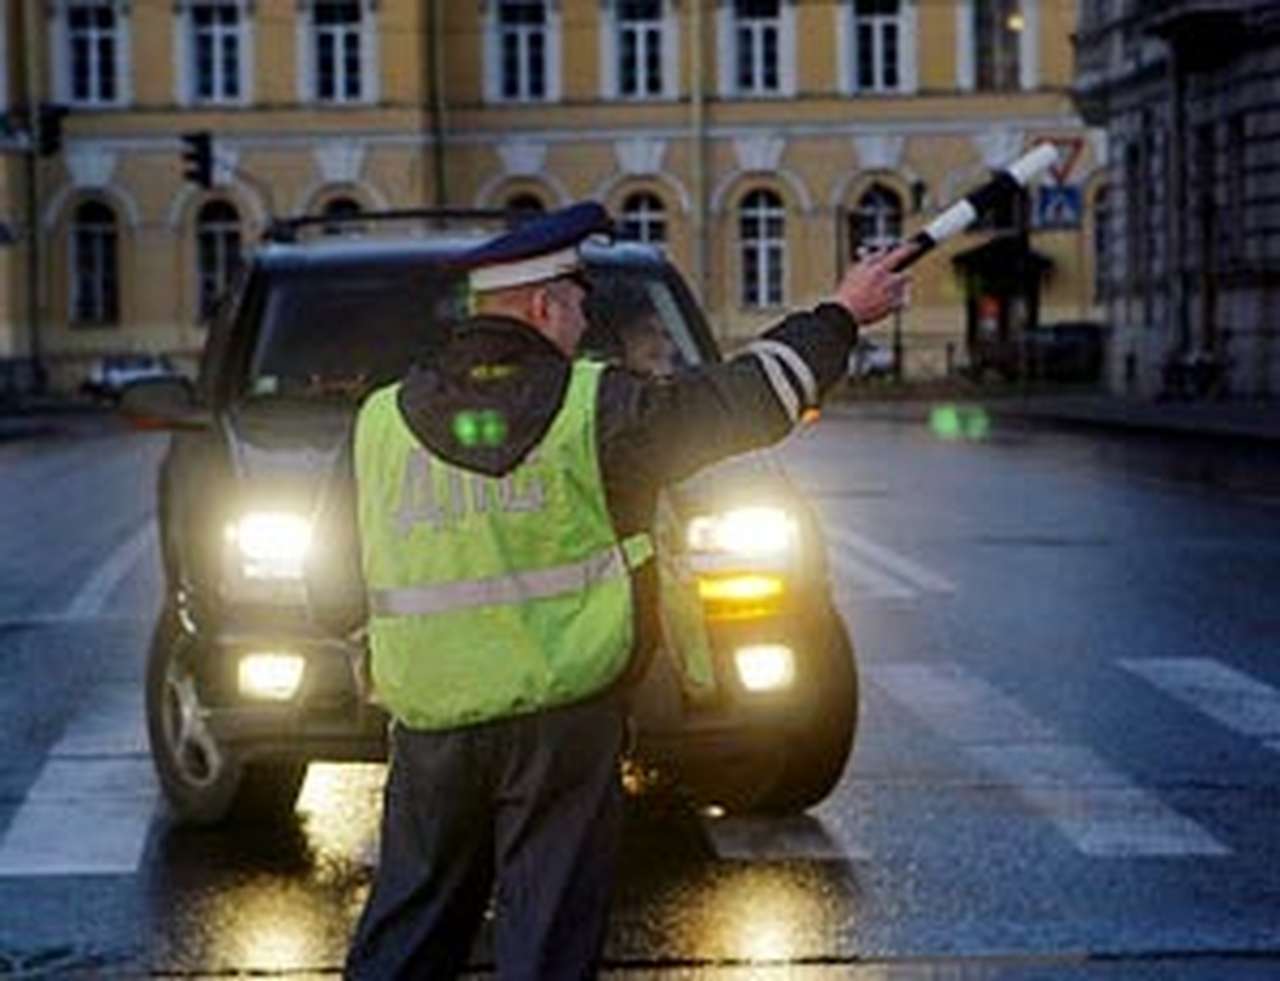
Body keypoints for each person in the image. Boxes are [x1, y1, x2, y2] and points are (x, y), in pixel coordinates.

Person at [334, 201, 911, 979]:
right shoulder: (595, 408)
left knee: (408, 937)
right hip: (563, 727)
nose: (583, 322)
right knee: (547, 940)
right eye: (578, 303)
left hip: (431, 723)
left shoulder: (378, 424)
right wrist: (843, 313)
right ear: (544, 305)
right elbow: (745, 401)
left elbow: (331, 580)